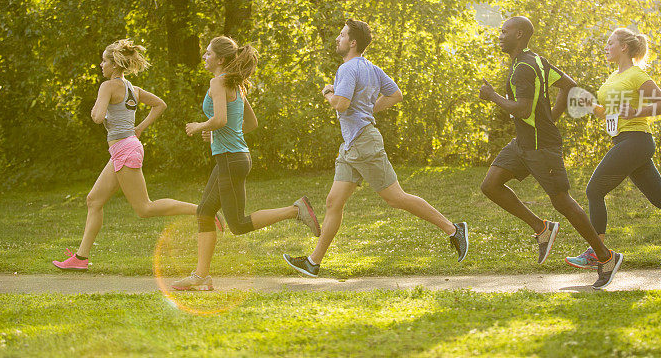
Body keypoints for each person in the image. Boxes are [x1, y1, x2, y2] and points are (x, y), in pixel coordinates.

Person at [282, 19, 468, 278]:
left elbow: (342, 104)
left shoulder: (347, 69)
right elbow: (395, 94)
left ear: (353, 42)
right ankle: (313, 262)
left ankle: (453, 229)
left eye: (343, 35)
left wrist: (327, 92)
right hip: (352, 145)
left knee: (396, 198)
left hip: (364, 144)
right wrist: (369, 109)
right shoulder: (371, 68)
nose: (338, 38)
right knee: (333, 202)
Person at [479, 17, 623, 289]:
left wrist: (493, 96)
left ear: (519, 34)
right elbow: (569, 84)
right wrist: (550, 116)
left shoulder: (524, 67)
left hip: (541, 147)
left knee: (562, 201)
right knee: (491, 185)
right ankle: (541, 227)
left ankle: (606, 257)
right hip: (522, 143)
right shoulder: (536, 60)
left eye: (504, 31)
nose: (500, 35)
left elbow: (522, 109)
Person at [565, 27, 661, 276]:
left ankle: (597, 252)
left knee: (594, 190)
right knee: (660, 198)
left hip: (636, 141)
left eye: (610, 42)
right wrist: (591, 106)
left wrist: (637, 112)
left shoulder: (636, 74)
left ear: (623, 47)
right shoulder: (613, 76)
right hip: (624, 142)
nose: (606, 46)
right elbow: (610, 113)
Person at [172, 36, 320, 291]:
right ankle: (201, 277)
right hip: (234, 157)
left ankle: (296, 210)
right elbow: (249, 124)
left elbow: (219, 119)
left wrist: (200, 126)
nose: (204, 57)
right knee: (204, 212)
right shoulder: (236, 85)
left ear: (220, 59)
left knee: (238, 224)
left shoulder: (218, 82)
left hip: (230, 159)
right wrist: (218, 131)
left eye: (208, 53)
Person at [53, 39, 209, 270]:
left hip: (125, 149)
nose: (101, 65)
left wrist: (98, 109)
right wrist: (139, 128)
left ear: (114, 64)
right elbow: (160, 104)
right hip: (125, 148)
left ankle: (201, 210)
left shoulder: (107, 87)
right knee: (93, 200)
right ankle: (81, 258)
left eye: (104, 60)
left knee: (144, 208)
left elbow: (97, 118)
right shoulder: (132, 89)